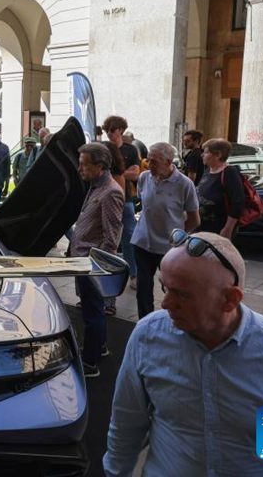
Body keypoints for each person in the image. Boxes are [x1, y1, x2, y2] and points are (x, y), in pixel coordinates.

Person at [104, 231, 263, 476]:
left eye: (182, 294)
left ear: (230, 299)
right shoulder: (148, 337)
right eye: (164, 287)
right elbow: (127, 425)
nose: (165, 303)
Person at [69, 142, 124, 378]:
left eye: (84, 164)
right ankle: (99, 348)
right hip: (82, 260)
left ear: (99, 166)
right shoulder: (94, 186)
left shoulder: (111, 192)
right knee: (94, 310)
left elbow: (111, 237)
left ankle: (90, 363)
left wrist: (95, 267)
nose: (79, 169)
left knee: (92, 314)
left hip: (90, 264)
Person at [131, 143, 200, 319]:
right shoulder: (145, 178)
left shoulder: (185, 184)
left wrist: (177, 237)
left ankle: (174, 322)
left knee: (172, 289)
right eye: (149, 161)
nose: (149, 166)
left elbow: (194, 219)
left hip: (169, 249)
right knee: (143, 290)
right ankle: (145, 323)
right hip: (142, 243)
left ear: (169, 161)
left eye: (155, 162)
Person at [103, 116, 140, 311]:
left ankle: (134, 274)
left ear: (122, 130)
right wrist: (122, 173)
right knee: (108, 241)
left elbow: (136, 173)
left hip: (126, 200)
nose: (111, 132)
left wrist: (115, 173)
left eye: (114, 129)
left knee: (129, 237)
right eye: (108, 128)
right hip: (108, 201)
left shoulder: (130, 150)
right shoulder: (101, 148)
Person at [196, 138, 244, 239]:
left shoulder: (229, 173)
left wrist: (228, 229)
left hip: (218, 228)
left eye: (206, 152)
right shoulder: (208, 170)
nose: (202, 155)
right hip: (201, 227)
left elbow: (237, 203)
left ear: (218, 155)